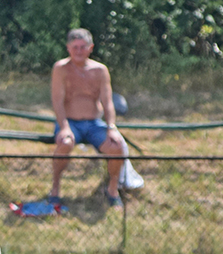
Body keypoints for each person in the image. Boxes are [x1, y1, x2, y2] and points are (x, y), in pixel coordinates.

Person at [11, 28, 140, 218]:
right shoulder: (61, 68)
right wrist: (63, 127)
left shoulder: (100, 70)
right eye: (75, 47)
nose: (79, 51)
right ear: (68, 48)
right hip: (70, 122)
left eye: (82, 47)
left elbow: (108, 101)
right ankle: (55, 190)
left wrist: (111, 126)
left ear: (91, 48)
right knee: (64, 143)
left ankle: (113, 190)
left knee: (117, 146)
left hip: (94, 123)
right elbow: (57, 100)